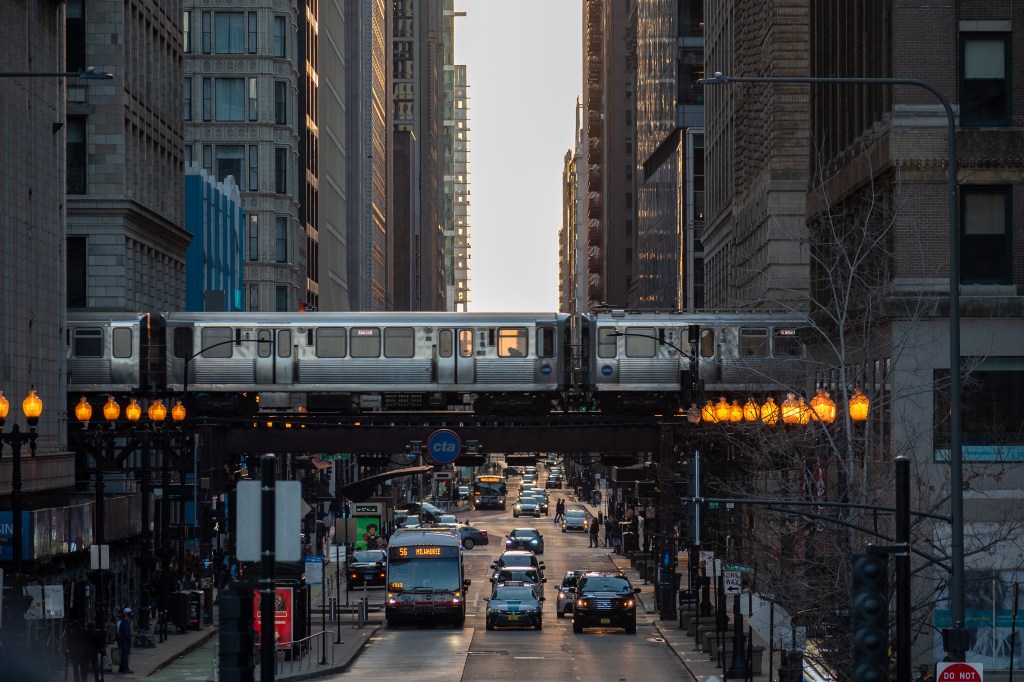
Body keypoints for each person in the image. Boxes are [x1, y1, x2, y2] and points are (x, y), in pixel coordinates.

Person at [116, 608, 134, 674]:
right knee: (125, 655)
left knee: (123, 654)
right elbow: (126, 633)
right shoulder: (123, 622)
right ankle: (125, 668)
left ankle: (122, 668)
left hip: (123, 640)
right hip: (124, 641)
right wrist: (129, 639)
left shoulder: (123, 621)